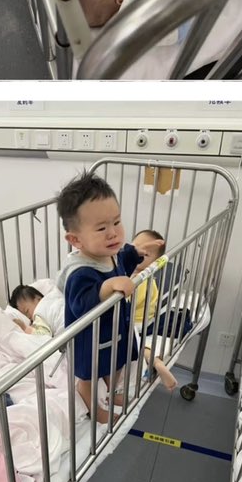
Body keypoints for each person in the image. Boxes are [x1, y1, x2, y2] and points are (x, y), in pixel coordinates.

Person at [56, 171, 149, 423]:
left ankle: (111, 391)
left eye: (116, 222)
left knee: (115, 363)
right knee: (89, 376)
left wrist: (135, 253)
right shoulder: (80, 271)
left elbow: (123, 259)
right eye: (101, 228)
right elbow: (81, 304)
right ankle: (92, 406)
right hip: (89, 338)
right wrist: (107, 287)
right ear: (75, 240)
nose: (113, 233)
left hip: (114, 329)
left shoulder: (111, 253)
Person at [131, 230, 178, 393]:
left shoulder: (138, 281)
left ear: (155, 262)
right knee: (138, 343)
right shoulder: (148, 278)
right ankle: (155, 361)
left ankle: (156, 362)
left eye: (145, 254)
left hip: (135, 323)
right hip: (146, 320)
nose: (138, 254)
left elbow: (125, 303)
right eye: (135, 248)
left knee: (132, 344)